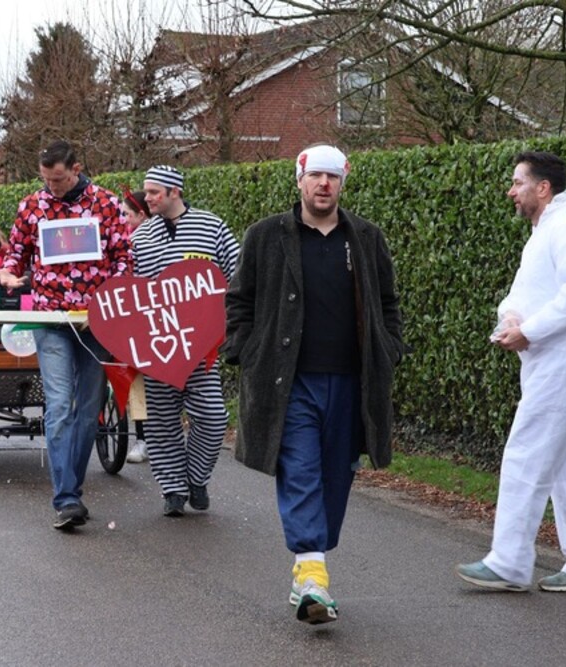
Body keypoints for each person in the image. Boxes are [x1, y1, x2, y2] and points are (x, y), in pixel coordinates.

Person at [224, 145, 405, 624]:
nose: (324, 184)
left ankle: (309, 565)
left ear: (343, 182)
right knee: (300, 469)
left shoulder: (365, 237)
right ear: (300, 180)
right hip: (289, 383)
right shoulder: (266, 235)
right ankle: (313, 578)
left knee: (336, 476)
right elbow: (239, 299)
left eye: (333, 177)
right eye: (316, 176)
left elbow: (388, 302)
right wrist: (245, 349)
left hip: (350, 383)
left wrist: (388, 347)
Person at [456, 151, 566, 593]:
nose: (511, 191)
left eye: (518, 182)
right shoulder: (545, 234)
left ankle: (509, 562)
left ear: (543, 188)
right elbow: (522, 295)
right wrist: (511, 319)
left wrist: (529, 330)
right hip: (554, 359)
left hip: (564, 359)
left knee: (525, 454)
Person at [0, 140, 131, 531]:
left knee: (88, 409)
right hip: (50, 319)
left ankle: (73, 487)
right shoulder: (31, 206)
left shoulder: (105, 203)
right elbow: (17, 253)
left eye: (58, 179)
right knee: (58, 405)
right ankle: (66, 498)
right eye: (46, 180)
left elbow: (124, 256)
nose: (52, 187)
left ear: (76, 168)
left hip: (96, 321)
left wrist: (114, 294)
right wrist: (8, 273)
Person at [132, 166, 240, 516]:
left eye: (153, 192)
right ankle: (173, 492)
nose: (147, 198)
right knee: (161, 422)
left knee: (213, 417)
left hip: (200, 347)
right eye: (146, 191)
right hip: (156, 345)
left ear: (174, 192)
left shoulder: (211, 226)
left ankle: (196, 479)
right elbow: (128, 288)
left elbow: (238, 272)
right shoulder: (141, 236)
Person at [120, 190, 151, 464]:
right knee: (138, 381)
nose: (122, 220)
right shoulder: (126, 242)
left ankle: (149, 439)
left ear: (141, 215)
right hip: (136, 322)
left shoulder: (139, 243)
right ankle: (143, 438)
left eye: (126, 215)